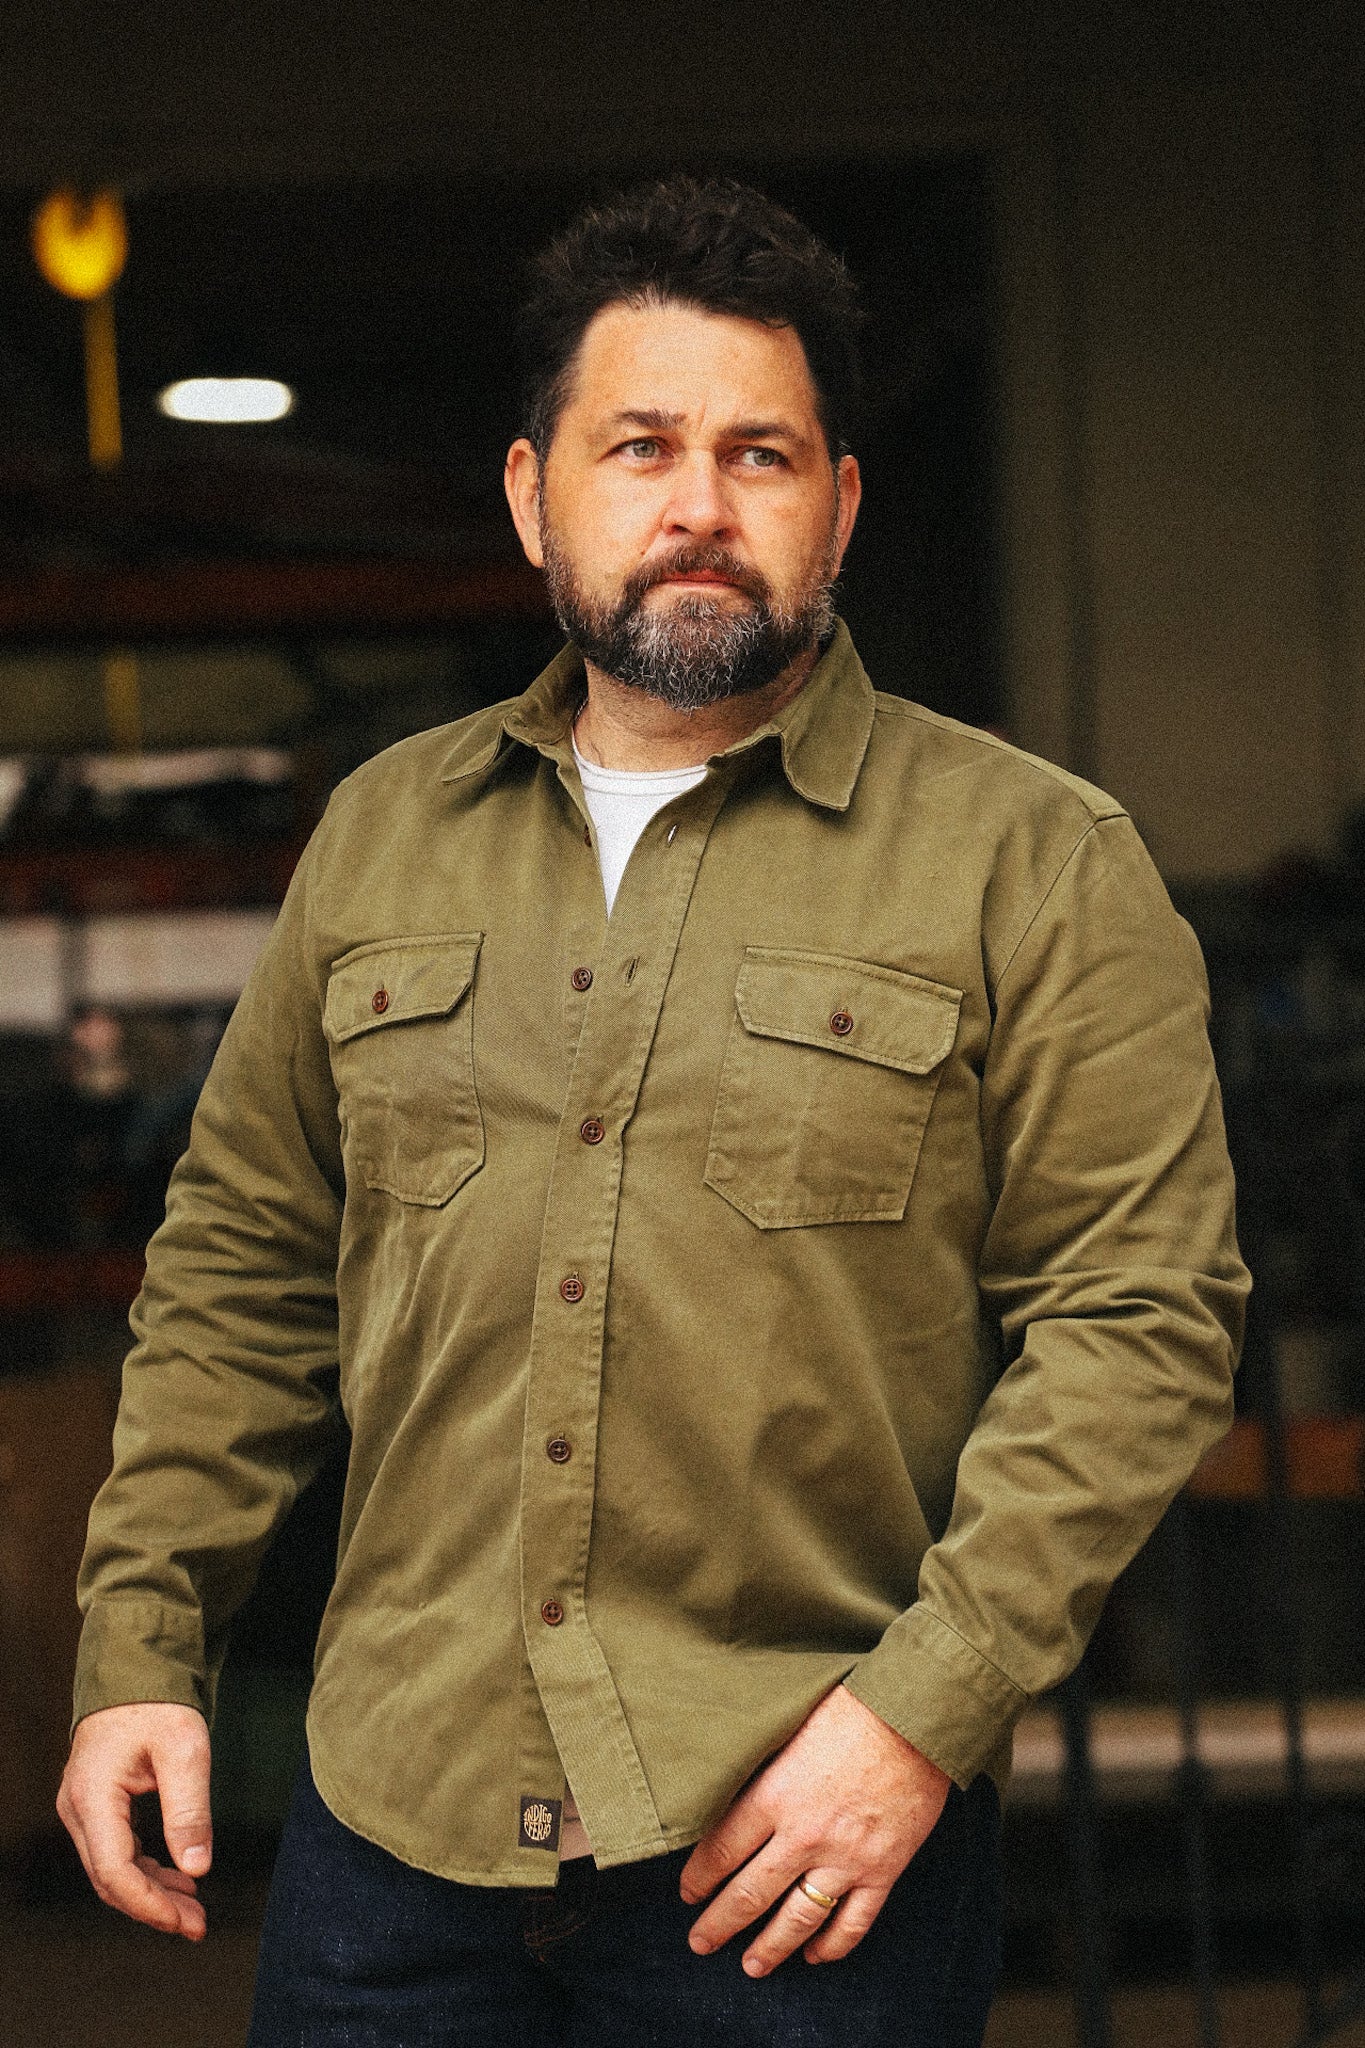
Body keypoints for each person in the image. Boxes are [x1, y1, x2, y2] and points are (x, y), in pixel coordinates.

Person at [59, 177, 1249, 2046]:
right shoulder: (382, 834)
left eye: (759, 453)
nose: (698, 503)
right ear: (536, 494)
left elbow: (1140, 1325)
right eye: (641, 446)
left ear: (839, 505)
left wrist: (916, 1718)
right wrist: (141, 1650)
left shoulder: (1033, 863)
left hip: (798, 1838)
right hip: (395, 1839)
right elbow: (239, 1275)